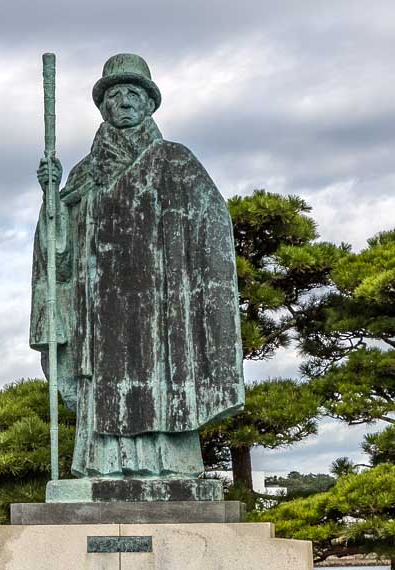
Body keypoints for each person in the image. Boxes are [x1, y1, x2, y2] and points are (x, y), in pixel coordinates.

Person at [30, 53, 244, 483]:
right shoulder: (84, 173)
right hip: (101, 307)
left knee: (161, 384)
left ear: (149, 103)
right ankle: (102, 468)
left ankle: (171, 467)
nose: (124, 101)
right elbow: (61, 258)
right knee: (106, 388)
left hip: (162, 306)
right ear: (103, 106)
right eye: (114, 94)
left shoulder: (176, 162)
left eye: (134, 93)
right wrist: (52, 199)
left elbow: (213, 228)